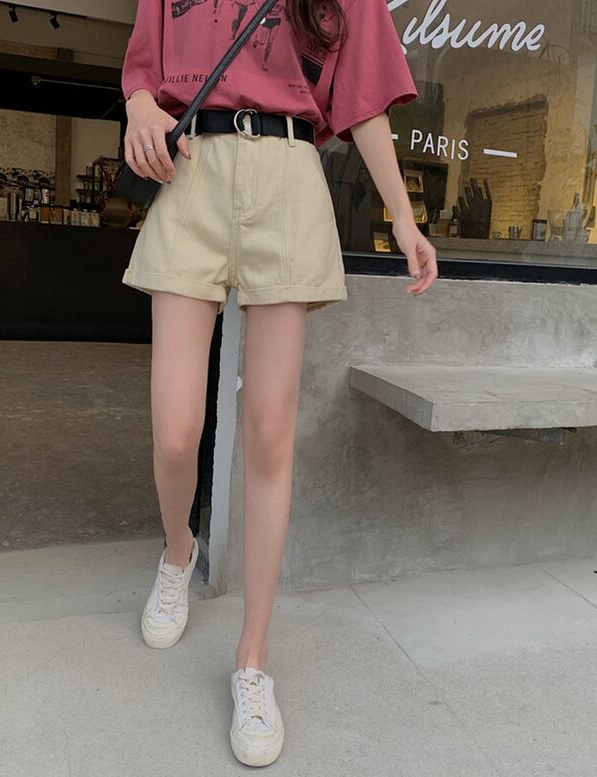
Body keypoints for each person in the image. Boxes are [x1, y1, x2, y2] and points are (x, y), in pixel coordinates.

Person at [119, 0, 438, 766]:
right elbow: (143, 71)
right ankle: (177, 551)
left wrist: (401, 215)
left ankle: (252, 661)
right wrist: (138, 109)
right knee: (175, 430)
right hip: (193, 171)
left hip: (290, 178)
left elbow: (362, 99)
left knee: (268, 434)